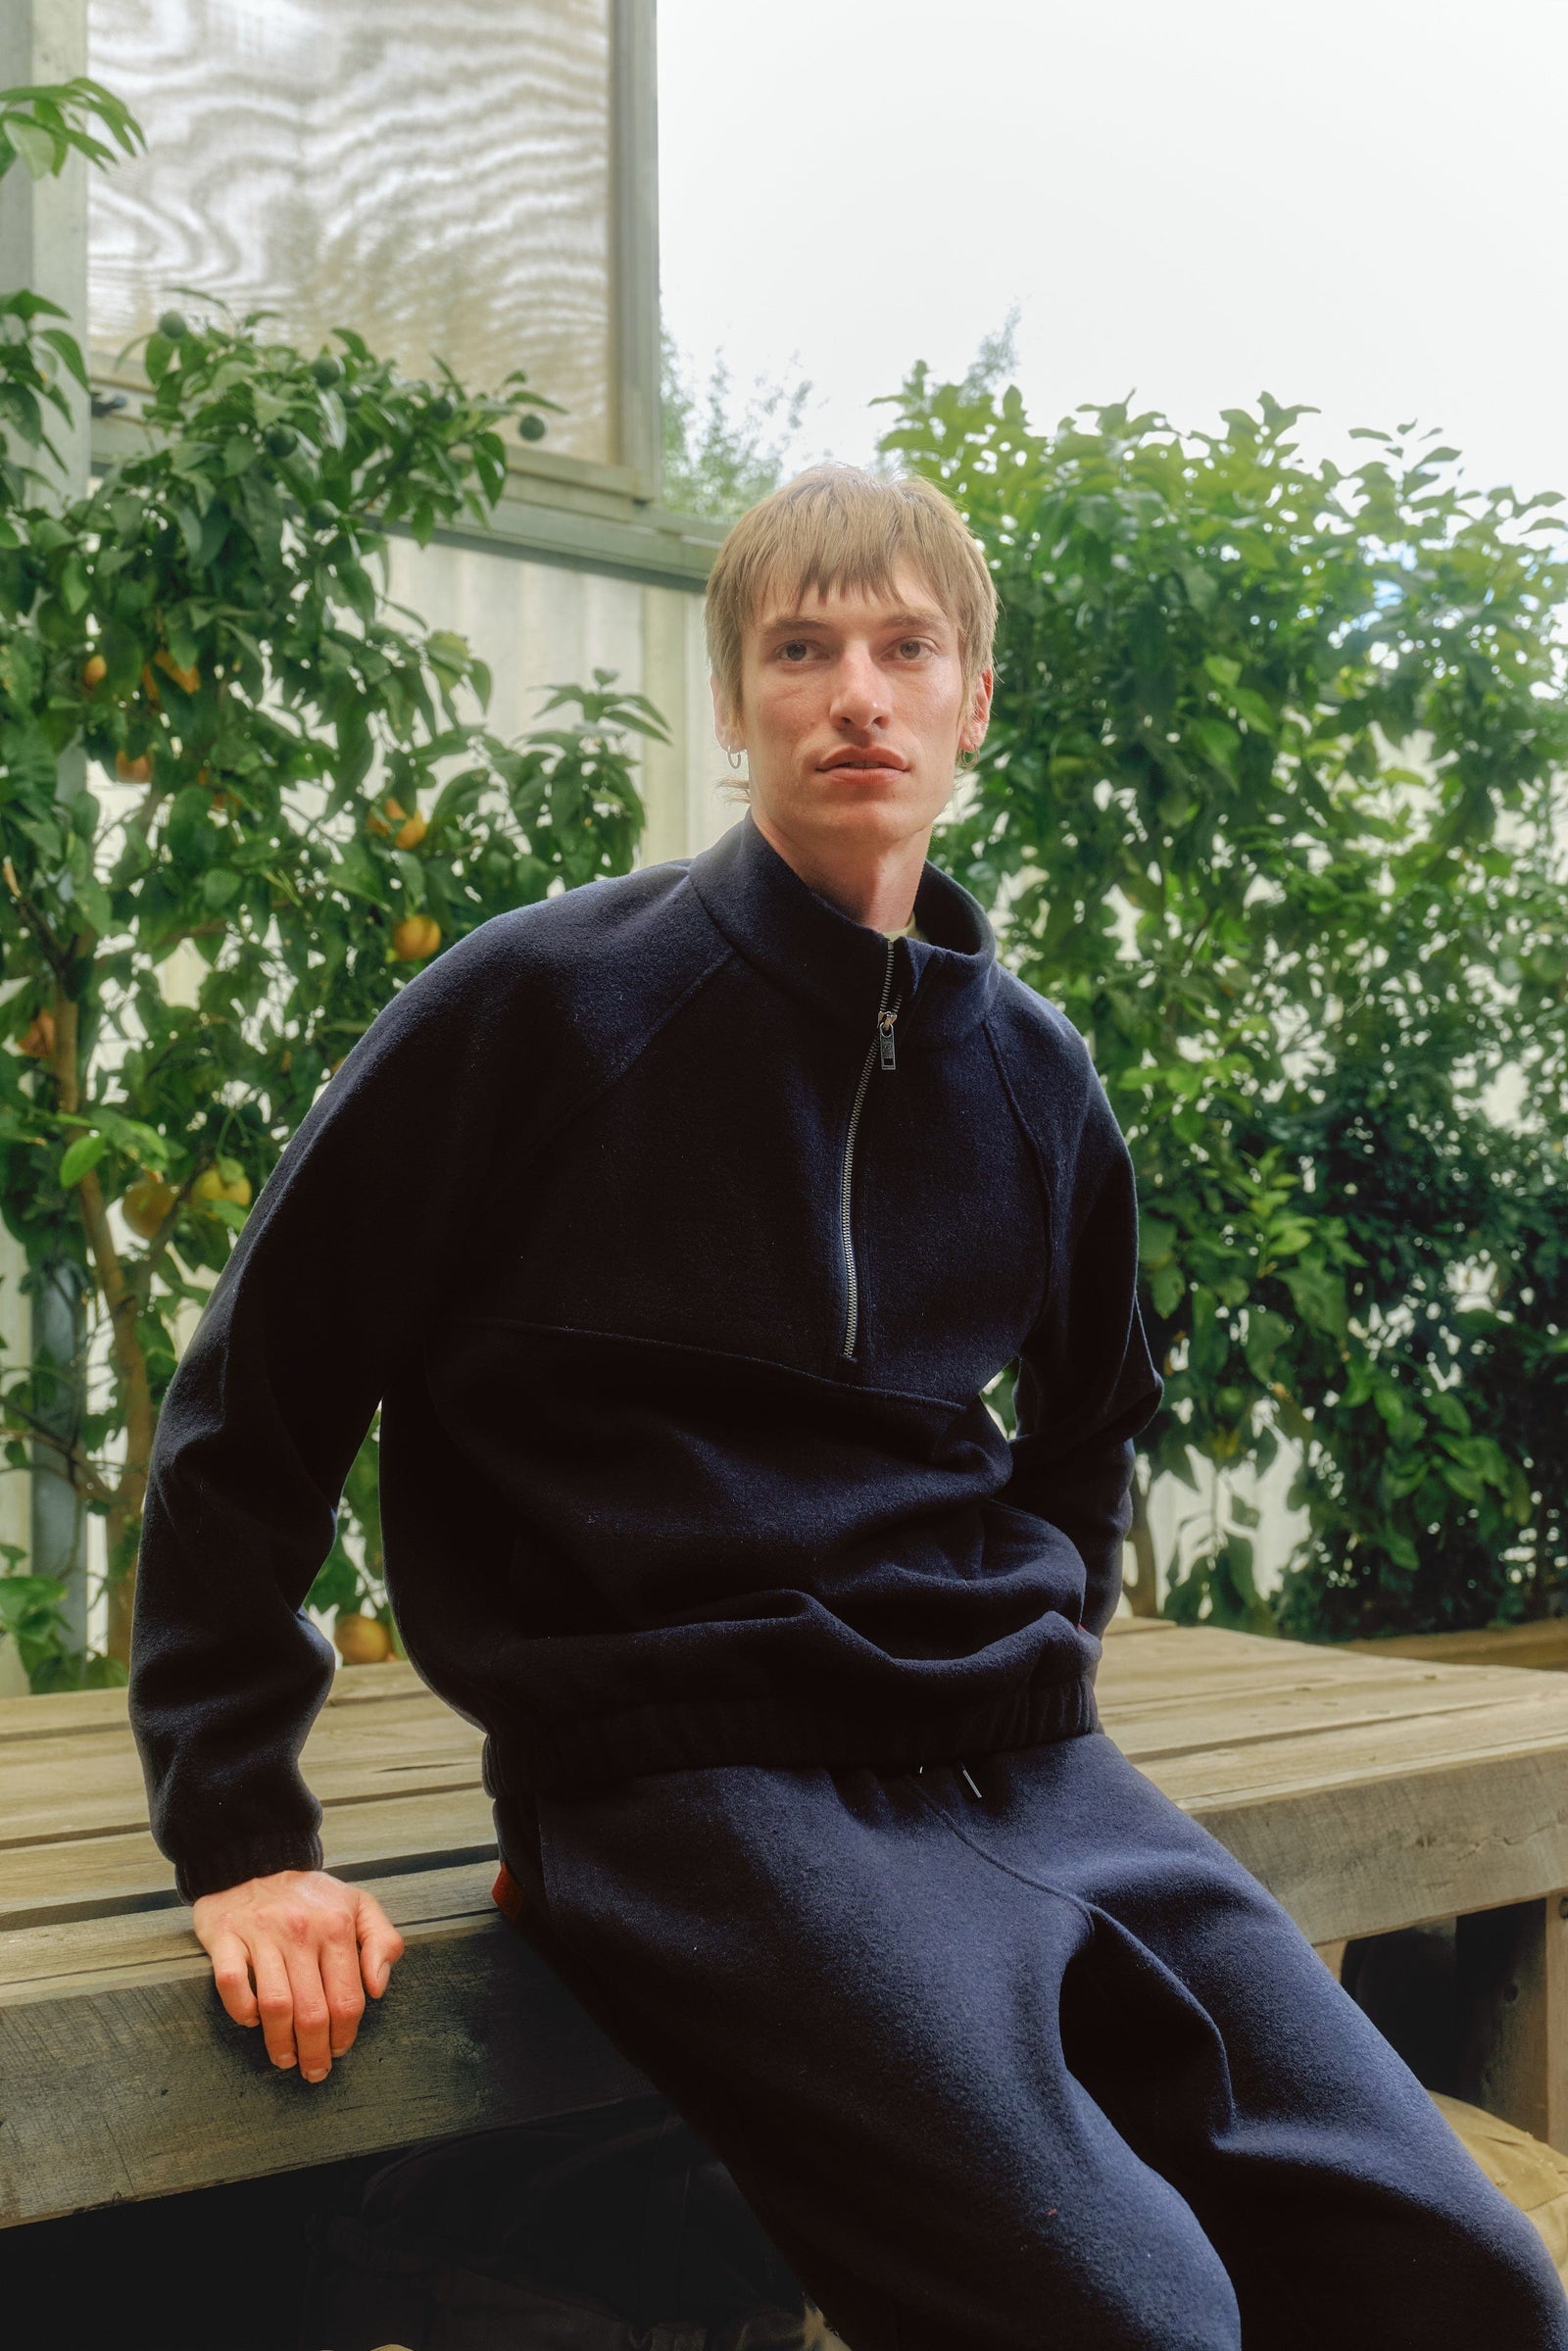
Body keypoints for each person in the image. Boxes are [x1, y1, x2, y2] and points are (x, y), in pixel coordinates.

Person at [128, 465, 1567, 2350]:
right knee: (1132, 2321)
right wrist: (245, 1835)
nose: (857, 696)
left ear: (976, 702)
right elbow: (257, 1401)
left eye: (907, 650)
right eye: (802, 651)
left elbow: (1088, 1431)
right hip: (691, 1780)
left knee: (1469, 2285)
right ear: (734, 703)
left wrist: (1032, 1660)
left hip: (1027, 1771)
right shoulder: (543, 1008)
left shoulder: (1032, 1077)